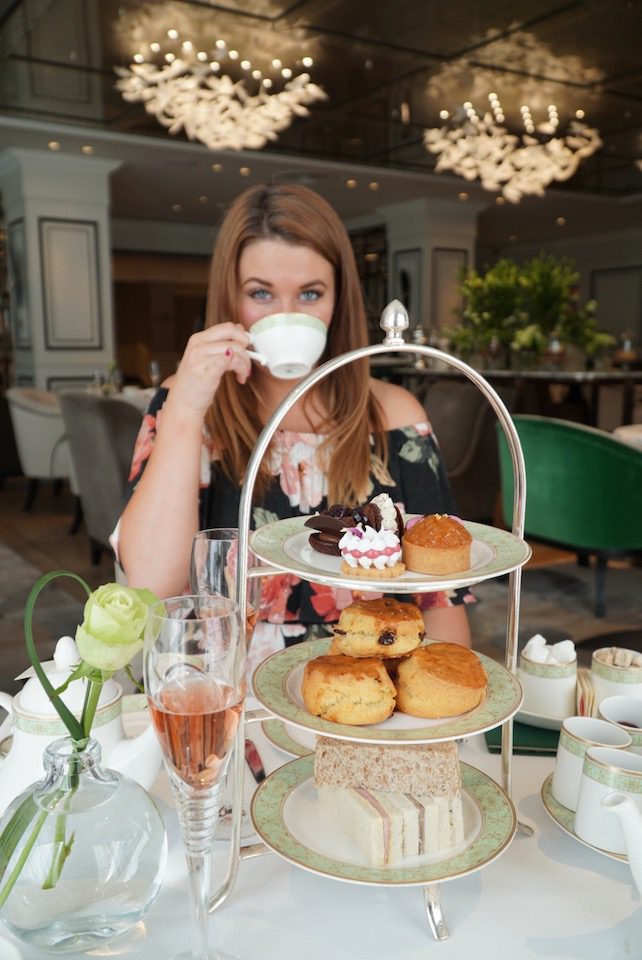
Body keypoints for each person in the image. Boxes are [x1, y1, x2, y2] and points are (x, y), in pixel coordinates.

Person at [116, 183, 473, 666]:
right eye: (260, 293)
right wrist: (184, 411)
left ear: (338, 300)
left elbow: (440, 602)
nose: (286, 317)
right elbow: (149, 583)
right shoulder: (189, 404)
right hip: (225, 690)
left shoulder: (396, 419)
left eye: (310, 293)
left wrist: (435, 718)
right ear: (229, 297)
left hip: (369, 690)